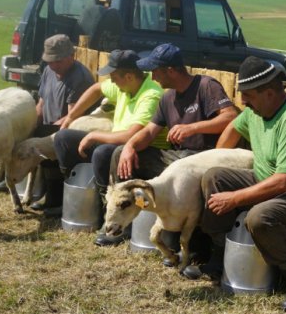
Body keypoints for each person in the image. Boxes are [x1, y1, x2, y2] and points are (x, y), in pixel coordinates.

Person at [197, 56, 286, 311]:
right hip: (268, 180)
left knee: (259, 217)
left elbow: (284, 181)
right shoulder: (256, 110)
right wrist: (218, 157)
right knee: (214, 177)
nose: (243, 102)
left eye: (248, 96)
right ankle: (221, 254)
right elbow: (233, 127)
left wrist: (235, 199)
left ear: (271, 93)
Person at [96, 43, 239, 247]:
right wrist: (130, 146)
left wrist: (192, 128)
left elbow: (231, 117)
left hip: (201, 161)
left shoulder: (206, 86)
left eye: (155, 72)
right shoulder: (167, 98)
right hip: (176, 160)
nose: (153, 78)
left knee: (180, 163)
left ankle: (176, 234)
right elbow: (149, 132)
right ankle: (122, 224)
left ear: (170, 71)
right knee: (120, 153)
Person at [50, 49, 164, 214]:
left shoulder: (151, 96)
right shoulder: (126, 83)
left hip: (142, 149)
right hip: (120, 142)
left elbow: (133, 136)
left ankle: (106, 208)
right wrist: (70, 117)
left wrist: (93, 135)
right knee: (63, 138)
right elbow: (96, 89)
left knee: (103, 152)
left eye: (113, 78)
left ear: (129, 77)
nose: (111, 82)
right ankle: (77, 200)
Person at [22, 34, 94, 212]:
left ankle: (55, 199)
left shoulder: (80, 77)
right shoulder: (49, 71)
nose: (53, 66)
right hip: (50, 125)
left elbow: (74, 116)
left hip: (71, 131)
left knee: (49, 141)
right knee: (33, 134)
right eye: (50, 61)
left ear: (71, 56)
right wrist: (33, 126)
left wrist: (45, 133)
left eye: (58, 62)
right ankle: (39, 190)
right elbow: (42, 102)